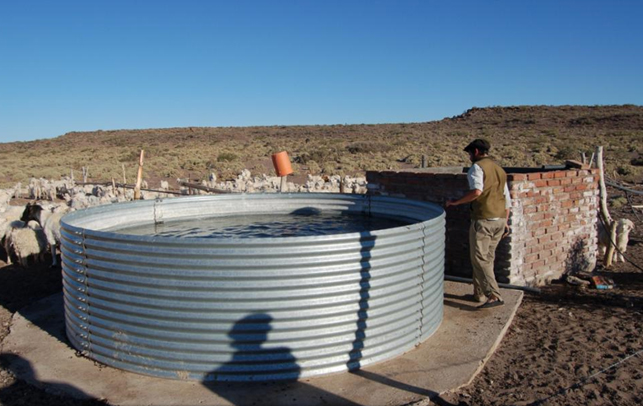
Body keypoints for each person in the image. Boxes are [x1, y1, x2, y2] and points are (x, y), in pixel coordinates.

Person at [446, 139, 511, 309]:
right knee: (486, 259)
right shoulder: (499, 170)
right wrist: (506, 222)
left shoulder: (477, 168)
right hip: (500, 220)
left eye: (469, 153)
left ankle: (493, 295)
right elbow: (507, 199)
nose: (468, 156)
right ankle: (479, 294)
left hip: (483, 220)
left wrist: (456, 203)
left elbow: (476, 191)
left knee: (479, 259)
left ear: (475, 151)